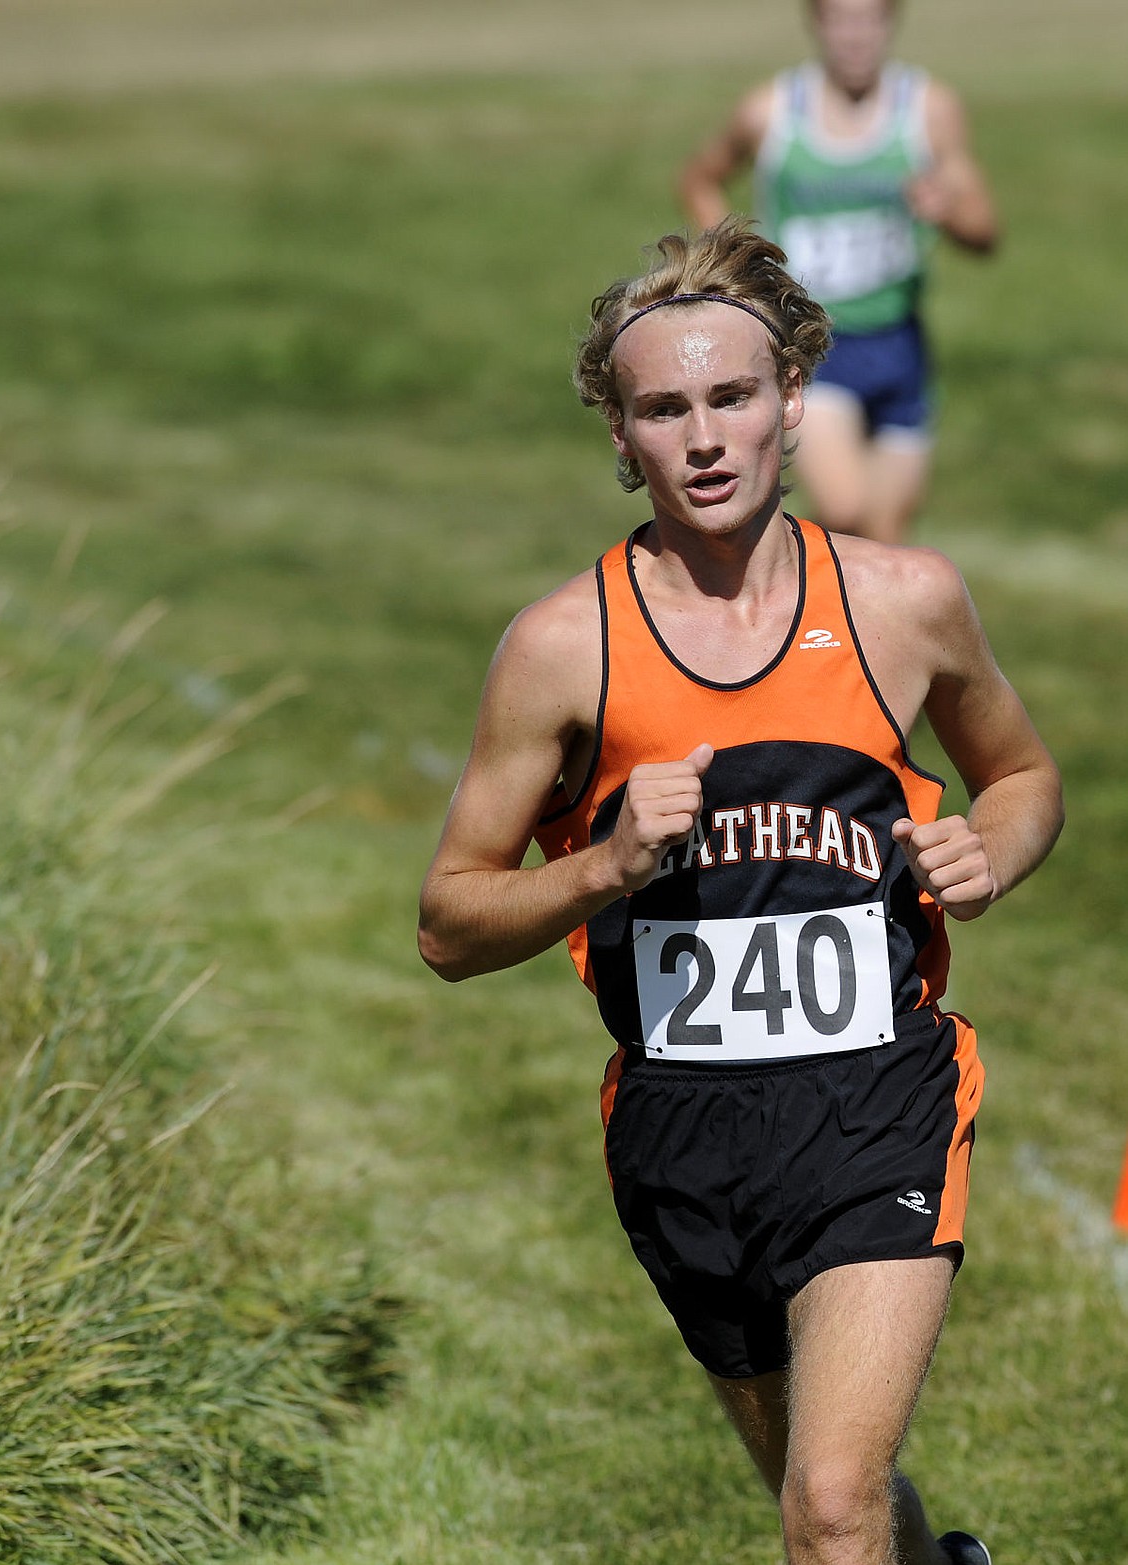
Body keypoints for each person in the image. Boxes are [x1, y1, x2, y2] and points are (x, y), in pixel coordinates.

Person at [418, 218, 1062, 1565]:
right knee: (831, 1498)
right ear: (619, 437)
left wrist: (988, 851)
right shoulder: (560, 648)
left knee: (828, 1503)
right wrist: (599, 868)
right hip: (681, 1132)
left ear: (788, 403)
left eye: (730, 396)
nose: (702, 436)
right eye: (663, 408)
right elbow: (448, 920)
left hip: (877, 1094)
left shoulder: (901, 602)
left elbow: (1019, 777)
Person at [677, 0, 1000, 544]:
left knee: (887, 534)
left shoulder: (928, 109)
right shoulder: (772, 111)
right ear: (818, 25)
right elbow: (700, 178)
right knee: (846, 510)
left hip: (901, 342)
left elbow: (985, 233)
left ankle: (844, 623)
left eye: (870, 21)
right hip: (815, 342)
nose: (856, 37)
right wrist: (738, 258)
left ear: (890, 24)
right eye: (842, 21)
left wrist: (947, 209)